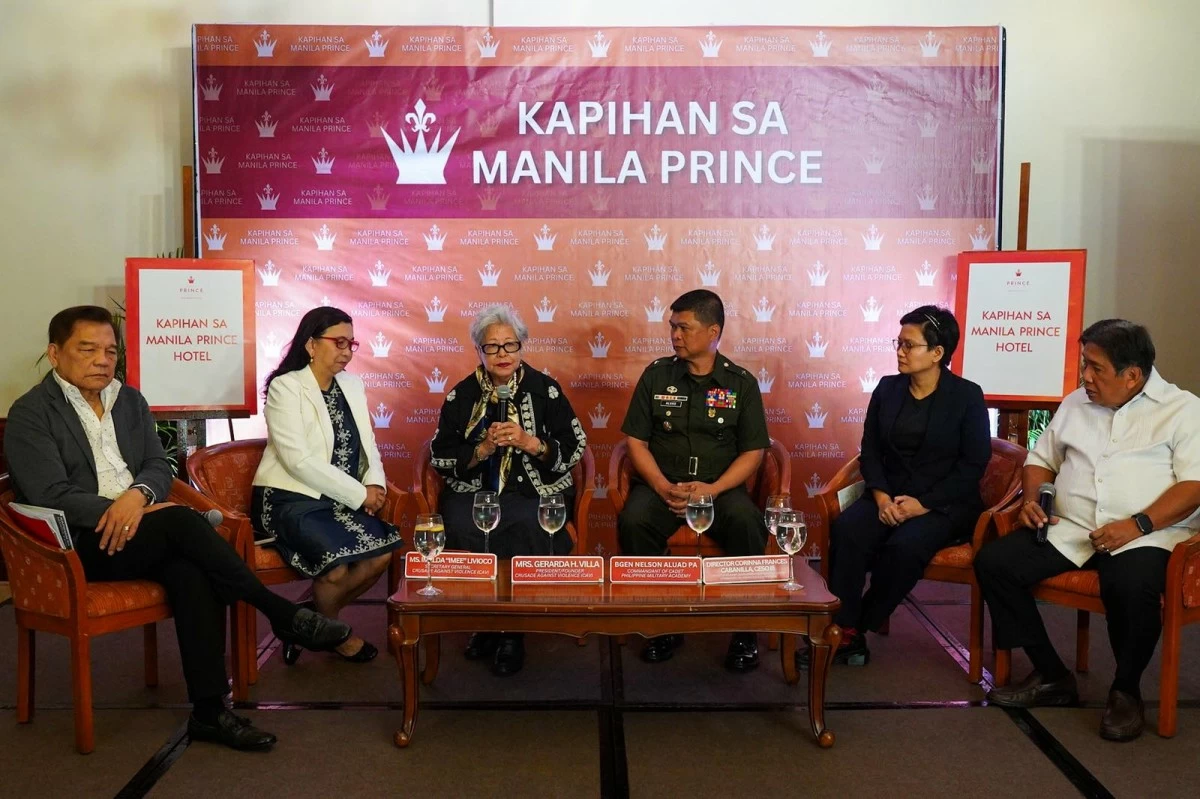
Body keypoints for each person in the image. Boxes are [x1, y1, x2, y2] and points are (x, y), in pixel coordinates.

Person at [5, 306, 352, 751]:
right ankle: (280, 615)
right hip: (80, 543)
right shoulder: (32, 412)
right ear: (55, 354)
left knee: (191, 572)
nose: (102, 360)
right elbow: (50, 493)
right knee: (181, 523)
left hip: (144, 528)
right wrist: (121, 511)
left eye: (111, 351)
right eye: (87, 349)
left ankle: (209, 713)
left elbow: (157, 464)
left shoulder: (129, 400)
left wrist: (137, 499)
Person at [975, 319, 1200, 741]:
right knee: (995, 561)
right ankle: (1051, 674)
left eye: (1095, 368)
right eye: (1084, 365)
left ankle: (1126, 690)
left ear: (1132, 376)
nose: (1085, 377)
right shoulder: (1076, 402)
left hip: (1147, 532)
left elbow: (1194, 485)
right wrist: (1030, 502)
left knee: (1130, 586)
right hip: (1073, 526)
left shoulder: (1184, 410)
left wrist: (1138, 525)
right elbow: (1041, 459)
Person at [807, 305, 990, 669]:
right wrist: (881, 496)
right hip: (887, 495)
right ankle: (843, 628)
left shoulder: (966, 396)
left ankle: (854, 628)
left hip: (943, 503)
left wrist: (923, 504)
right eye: (898, 342)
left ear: (938, 353)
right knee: (848, 531)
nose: (900, 351)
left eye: (909, 345)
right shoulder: (888, 389)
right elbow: (870, 451)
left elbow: (973, 464)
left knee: (904, 548)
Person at [430, 304, 588, 676]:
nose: (502, 354)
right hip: (475, 490)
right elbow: (440, 454)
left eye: (510, 345)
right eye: (492, 347)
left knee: (526, 526)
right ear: (478, 352)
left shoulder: (545, 390)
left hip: (535, 491)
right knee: (463, 523)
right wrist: (481, 450)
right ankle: (485, 623)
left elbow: (576, 445)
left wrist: (530, 442)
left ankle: (512, 632)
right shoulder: (462, 395)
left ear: (522, 347)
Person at [618, 289, 770, 672]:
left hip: (719, 489)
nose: (675, 336)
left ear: (713, 331)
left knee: (749, 523)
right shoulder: (656, 375)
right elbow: (635, 441)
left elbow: (753, 451)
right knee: (633, 522)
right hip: (663, 486)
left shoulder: (741, 384)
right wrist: (659, 485)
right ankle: (662, 623)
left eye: (684, 327)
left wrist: (713, 490)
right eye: (672, 327)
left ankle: (743, 629)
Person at [252, 306, 404, 666]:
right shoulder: (285, 386)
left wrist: (374, 484)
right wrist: (358, 494)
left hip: (339, 500)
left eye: (352, 343)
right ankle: (335, 634)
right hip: (290, 498)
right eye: (338, 342)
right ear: (311, 344)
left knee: (382, 552)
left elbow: (368, 444)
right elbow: (297, 460)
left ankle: (304, 620)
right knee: (334, 567)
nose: (347, 351)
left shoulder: (352, 384)